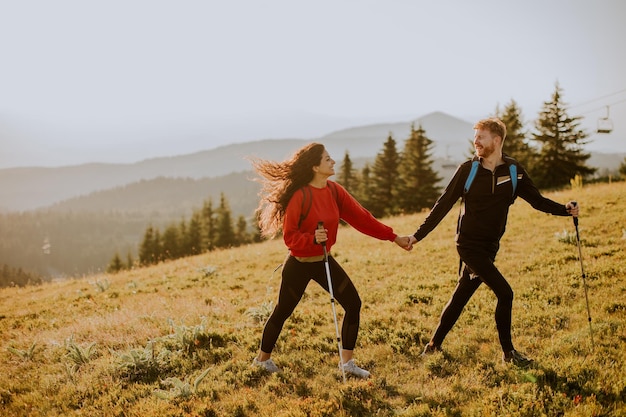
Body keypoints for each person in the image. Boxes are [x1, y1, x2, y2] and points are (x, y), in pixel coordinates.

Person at [407, 117, 579, 367]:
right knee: (505, 293)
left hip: (490, 247)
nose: (475, 141)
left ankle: (433, 346)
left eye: (481, 137)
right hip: (467, 245)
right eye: (475, 137)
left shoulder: (513, 171)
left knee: (461, 295)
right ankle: (509, 354)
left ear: (496, 141)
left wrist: (565, 210)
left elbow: (537, 201)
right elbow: (443, 204)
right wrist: (417, 236)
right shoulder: (468, 169)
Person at [250, 142, 411, 378]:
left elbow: (361, 218)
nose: (332, 161)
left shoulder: (334, 191)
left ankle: (347, 364)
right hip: (299, 265)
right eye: (327, 159)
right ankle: (262, 361)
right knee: (282, 311)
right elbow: (290, 238)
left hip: (323, 260)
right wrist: (313, 238)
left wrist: (393, 237)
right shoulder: (300, 196)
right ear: (315, 166)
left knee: (353, 304)